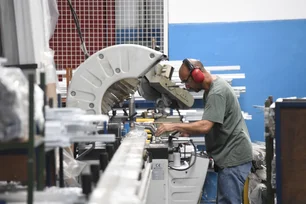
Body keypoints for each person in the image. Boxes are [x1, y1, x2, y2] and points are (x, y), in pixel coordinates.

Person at [155, 58, 253, 204]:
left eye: (186, 81)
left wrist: (174, 126)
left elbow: (206, 125)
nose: (186, 87)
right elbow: (213, 122)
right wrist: (189, 130)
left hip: (233, 157)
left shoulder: (216, 92)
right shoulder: (211, 89)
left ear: (197, 75)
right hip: (229, 155)